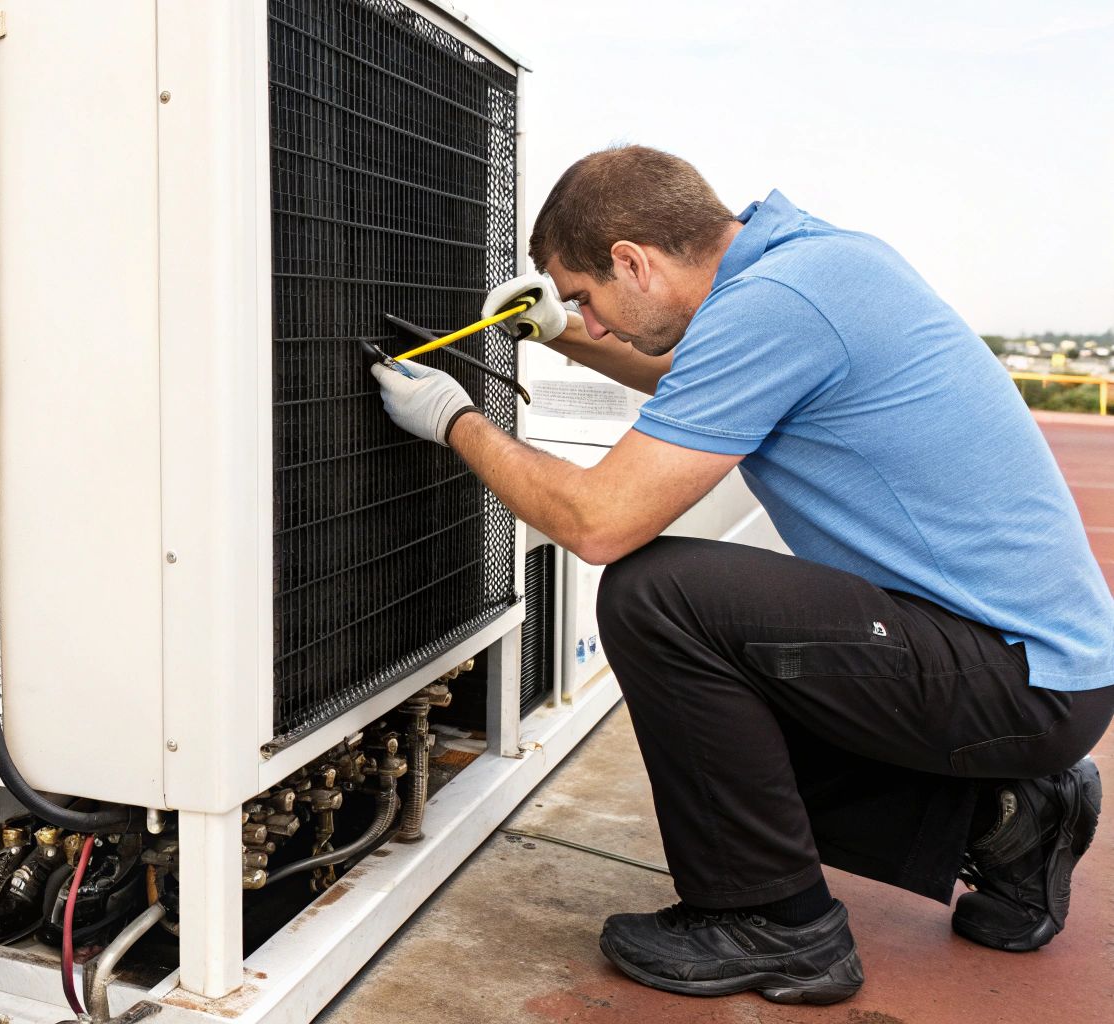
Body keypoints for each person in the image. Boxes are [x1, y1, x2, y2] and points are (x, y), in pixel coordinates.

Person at [368, 145, 1114, 1005]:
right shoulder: (805, 266)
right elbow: (692, 370)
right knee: (729, 736)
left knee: (659, 597)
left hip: (1016, 679)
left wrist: (456, 420)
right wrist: (558, 330)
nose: (593, 323)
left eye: (584, 298)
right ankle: (1008, 821)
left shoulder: (777, 306)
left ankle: (778, 924)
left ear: (632, 261)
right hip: (1033, 666)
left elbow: (599, 523)